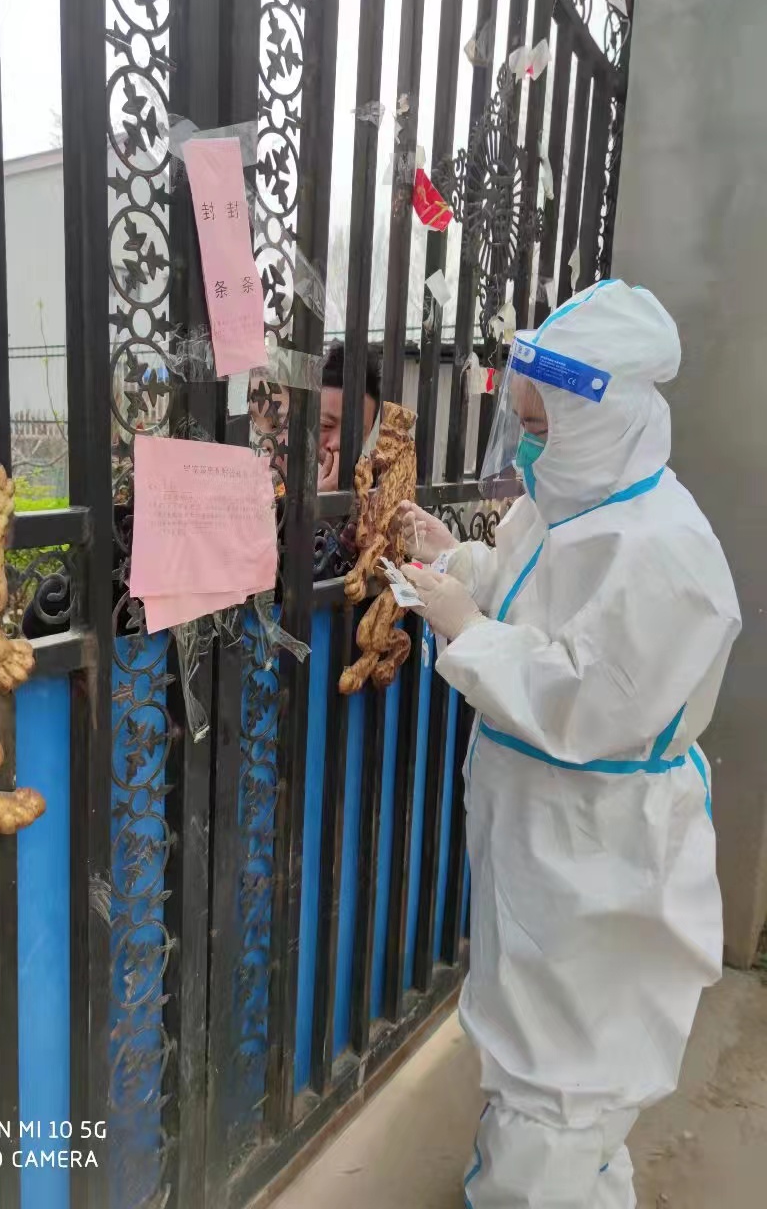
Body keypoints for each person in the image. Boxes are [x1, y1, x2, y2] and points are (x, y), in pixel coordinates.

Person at [396, 281, 740, 1208]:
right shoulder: (572, 498)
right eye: (522, 423)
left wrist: (468, 630)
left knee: (563, 1066)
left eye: (543, 426)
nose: (527, 446)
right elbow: (527, 587)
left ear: (605, 416)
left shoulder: (665, 551)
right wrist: (454, 561)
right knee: (549, 1042)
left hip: (596, 842)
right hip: (543, 827)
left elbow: (592, 702)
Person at [317, 339, 381, 491]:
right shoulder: (277, 474)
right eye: (325, 425)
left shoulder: (378, 486)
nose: (337, 443)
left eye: (354, 433)